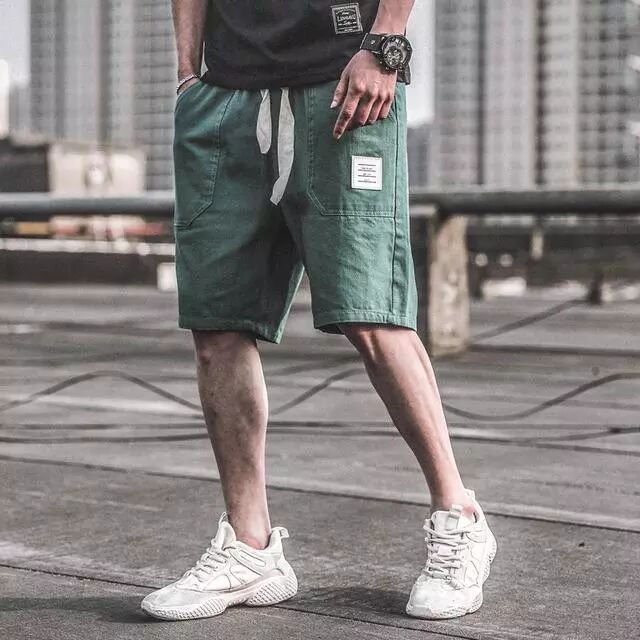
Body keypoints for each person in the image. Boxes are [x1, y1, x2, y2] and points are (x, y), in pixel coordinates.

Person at [141, 0, 496, 622]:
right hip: (224, 94)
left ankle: (458, 516)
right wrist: (187, 73)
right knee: (217, 324)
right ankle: (251, 548)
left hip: (344, 82)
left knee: (372, 314)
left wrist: (384, 44)